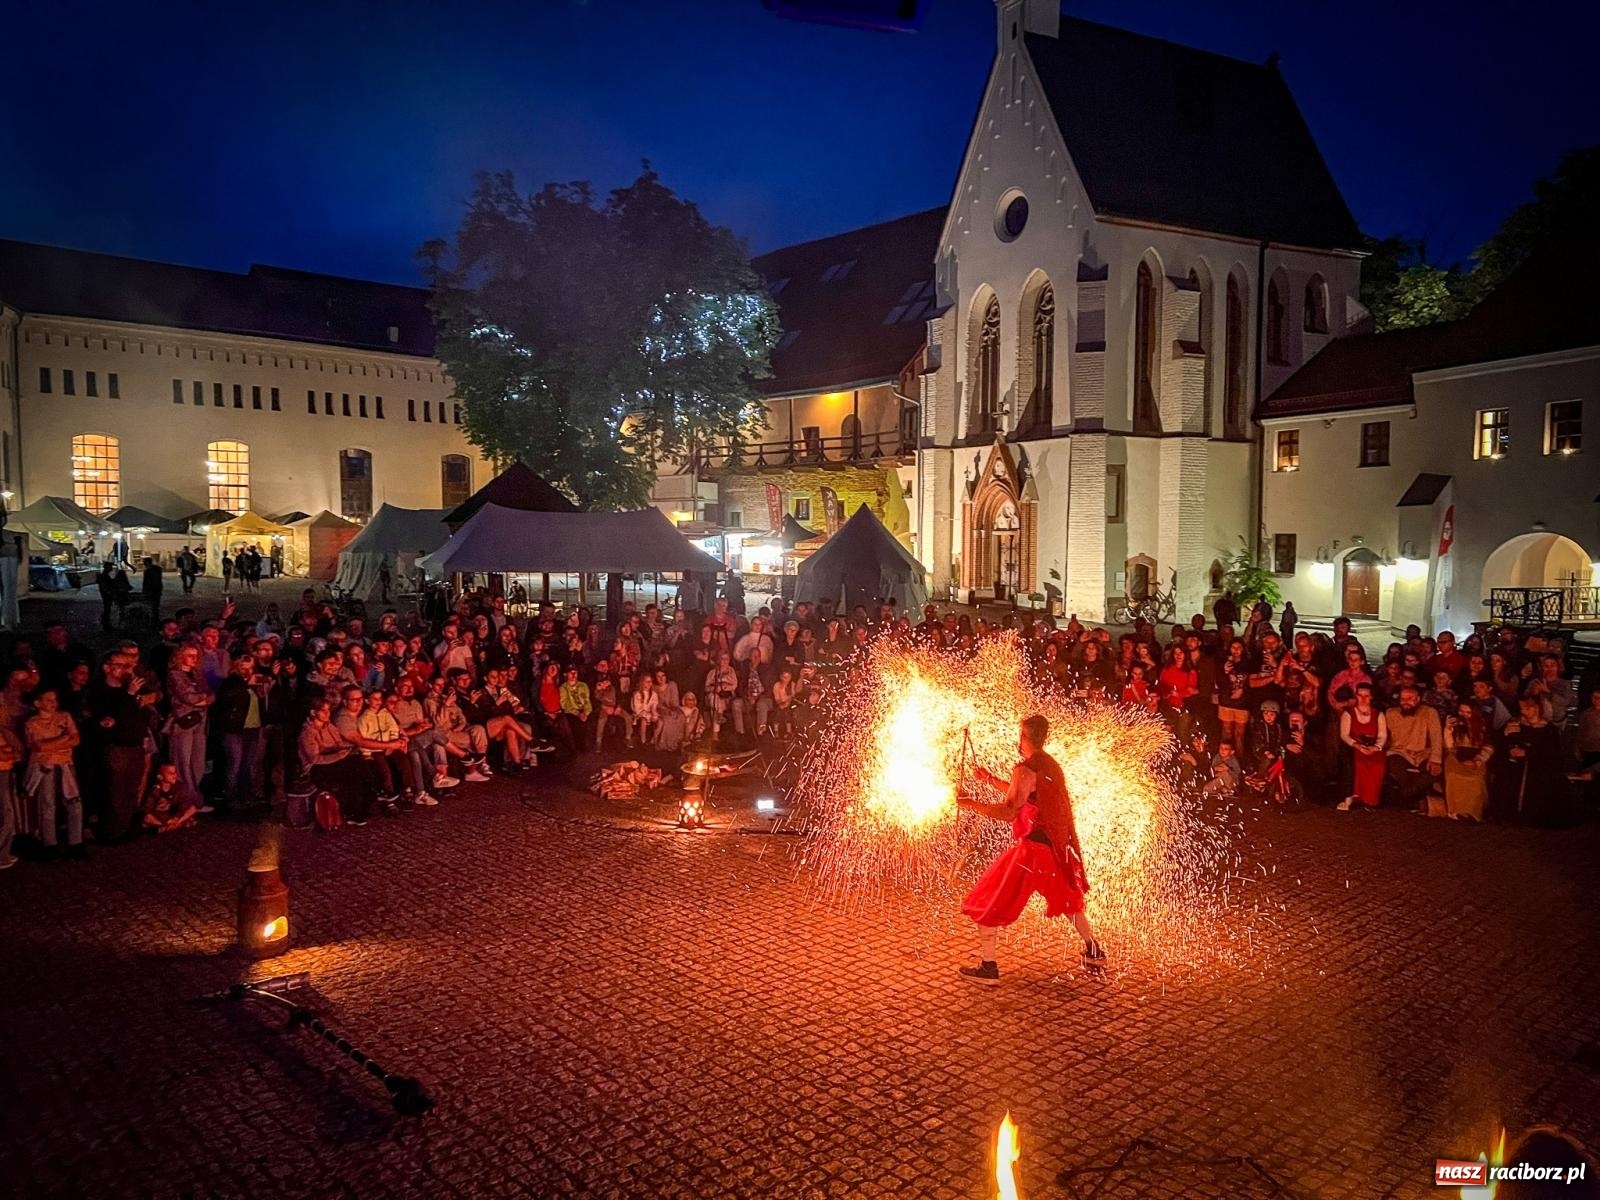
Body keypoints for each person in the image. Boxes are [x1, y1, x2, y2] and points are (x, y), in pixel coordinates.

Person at [956, 714, 1105, 985]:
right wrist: (989, 779)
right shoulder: (1050, 765)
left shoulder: (1025, 769)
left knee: (987, 898)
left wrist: (971, 804)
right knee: (1068, 899)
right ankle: (1094, 950)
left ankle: (989, 967)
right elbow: (1025, 793)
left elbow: (1009, 809)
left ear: (1023, 736)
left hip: (1033, 853)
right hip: (1053, 850)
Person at [26, 689, 84, 858]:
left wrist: (53, 744)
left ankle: (76, 842)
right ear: (38, 703)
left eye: (55, 699)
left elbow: (76, 739)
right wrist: (64, 738)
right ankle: (50, 843)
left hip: (66, 764)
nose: (53, 703)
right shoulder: (32, 723)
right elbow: (39, 747)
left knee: (74, 801)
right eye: (49, 700)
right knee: (48, 803)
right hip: (46, 766)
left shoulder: (64, 716)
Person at [166, 644, 214, 812]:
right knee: (183, 762)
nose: (193, 659)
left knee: (197, 761)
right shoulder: (175, 675)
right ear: (180, 657)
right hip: (184, 723)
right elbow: (189, 697)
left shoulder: (198, 674)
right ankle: (188, 801)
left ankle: (194, 798)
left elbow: (210, 694)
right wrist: (204, 699)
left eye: (195, 655)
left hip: (200, 721)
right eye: (189, 655)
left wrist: (204, 699)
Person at [1383, 683, 1443, 813]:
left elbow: (1436, 736)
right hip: (1399, 752)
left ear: (1418, 699)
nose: (1406, 702)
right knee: (1395, 768)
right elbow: (1385, 736)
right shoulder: (1391, 713)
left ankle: (1404, 797)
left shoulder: (1429, 712)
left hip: (1423, 753)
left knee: (1431, 772)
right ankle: (1415, 798)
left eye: (1410, 698)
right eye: (1403, 699)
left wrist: (1436, 759)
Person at [1337, 682, 1387, 811]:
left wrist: (1376, 747)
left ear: (1371, 697)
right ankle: (1356, 797)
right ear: (1356, 696)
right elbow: (1344, 734)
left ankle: (1371, 800)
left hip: (1374, 748)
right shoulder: (1348, 714)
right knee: (1358, 764)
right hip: (1356, 747)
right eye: (1360, 695)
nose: (1363, 698)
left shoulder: (1378, 714)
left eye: (1366, 696)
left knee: (1378, 766)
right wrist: (1356, 745)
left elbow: (1382, 735)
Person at [1442, 700, 1492, 821]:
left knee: (1476, 781)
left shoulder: (1484, 726)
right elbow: (1449, 747)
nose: (1464, 715)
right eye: (1461, 711)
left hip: (1477, 758)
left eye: (1468, 712)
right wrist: (1448, 730)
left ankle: (1472, 812)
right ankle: (1455, 811)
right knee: (1453, 776)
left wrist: (1477, 760)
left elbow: (1489, 747)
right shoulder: (1457, 726)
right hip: (1456, 757)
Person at [141, 762, 198, 832]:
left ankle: (174, 825)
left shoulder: (178, 786)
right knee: (146, 818)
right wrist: (166, 820)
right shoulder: (155, 790)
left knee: (193, 808)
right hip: (159, 815)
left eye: (175, 772)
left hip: (172, 815)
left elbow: (184, 803)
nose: (174, 775)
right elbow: (147, 809)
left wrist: (177, 817)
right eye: (170, 773)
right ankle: (166, 825)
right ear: (160, 777)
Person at [141, 556, 164, 622]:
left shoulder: (148, 571)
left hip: (151, 590)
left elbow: (146, 582)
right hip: (157, 589)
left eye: (144, 562)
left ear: (147, 563)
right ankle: (155, 617)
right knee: (155, 605)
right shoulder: (158, 569)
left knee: (151, 604)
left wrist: (144, 591)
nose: (143, 564)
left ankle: (153, 618)